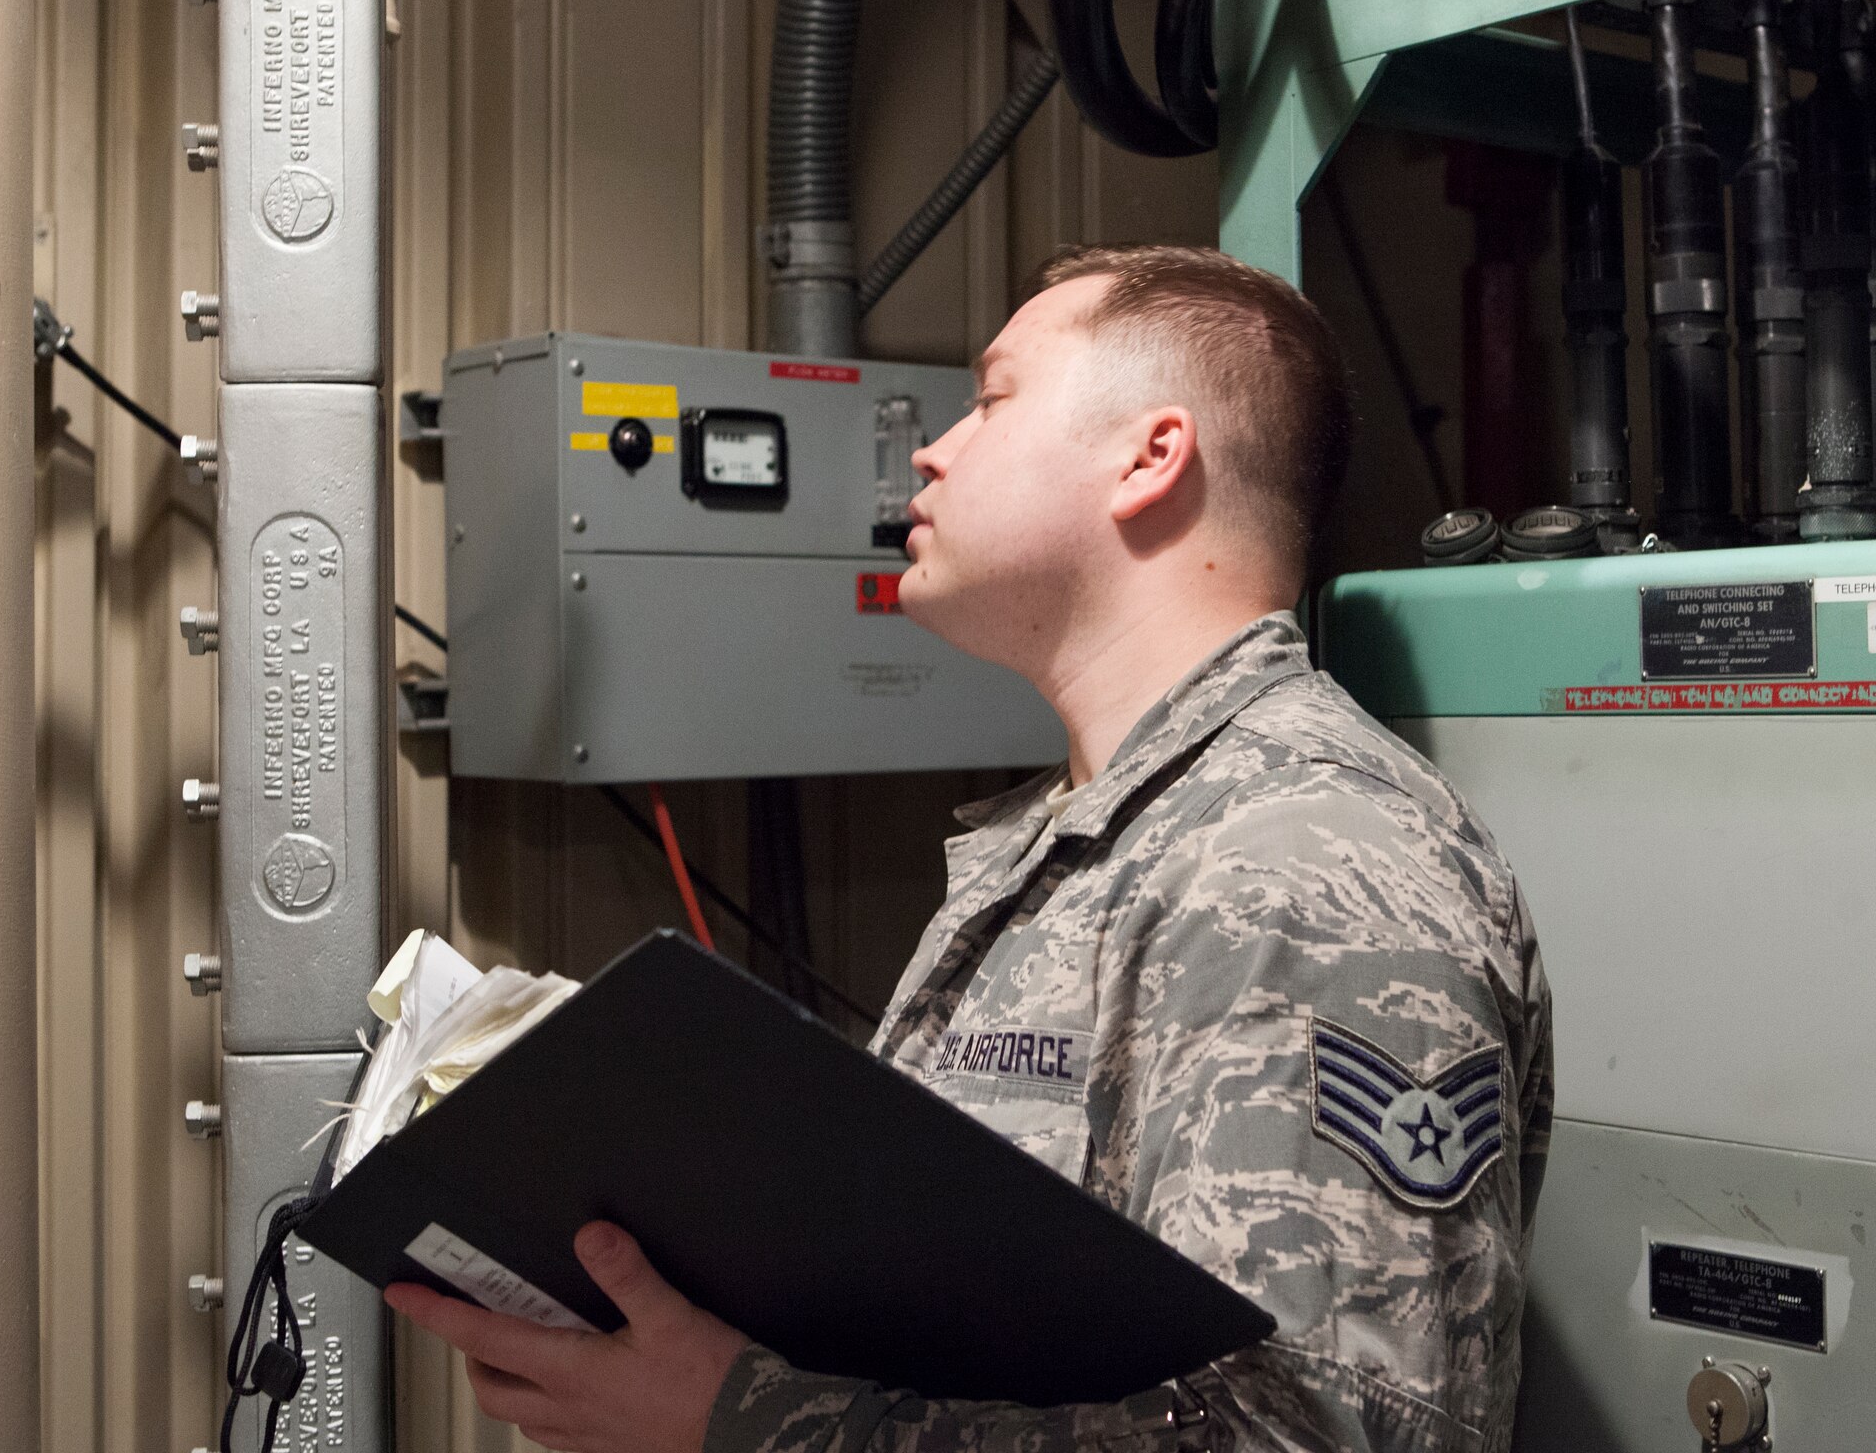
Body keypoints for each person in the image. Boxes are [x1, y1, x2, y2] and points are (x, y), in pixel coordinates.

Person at [387, 244, 1554, 1453]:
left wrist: (738, 1420)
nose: (934, 449)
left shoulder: (1304, 862)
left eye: (991, 398)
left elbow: (1302, 1442)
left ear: (1148, 458)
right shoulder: (1085, 839)